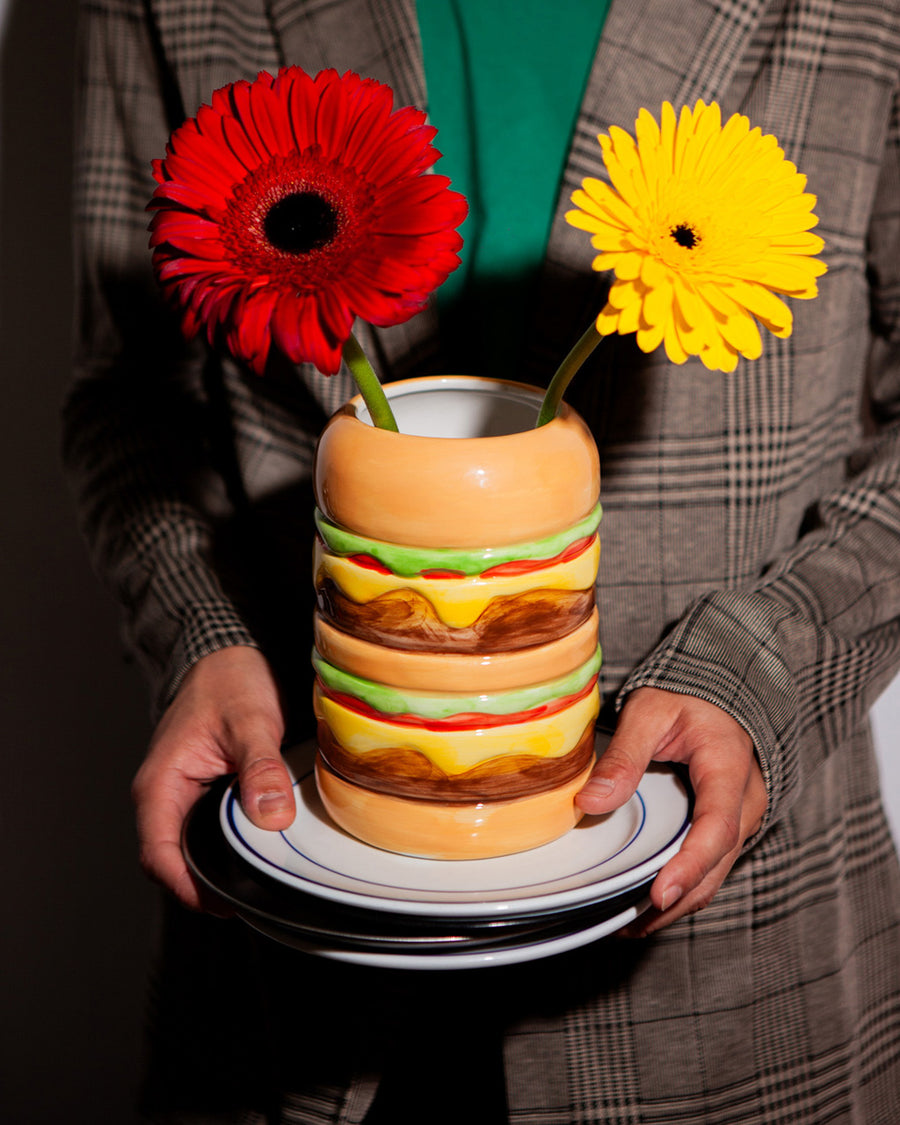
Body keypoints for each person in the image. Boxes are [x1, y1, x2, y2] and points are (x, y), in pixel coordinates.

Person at [65, 0, 900, 1121]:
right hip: (295, 957)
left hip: (736, 980)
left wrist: (769, 667)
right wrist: (199, 634)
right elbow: (130, 394)